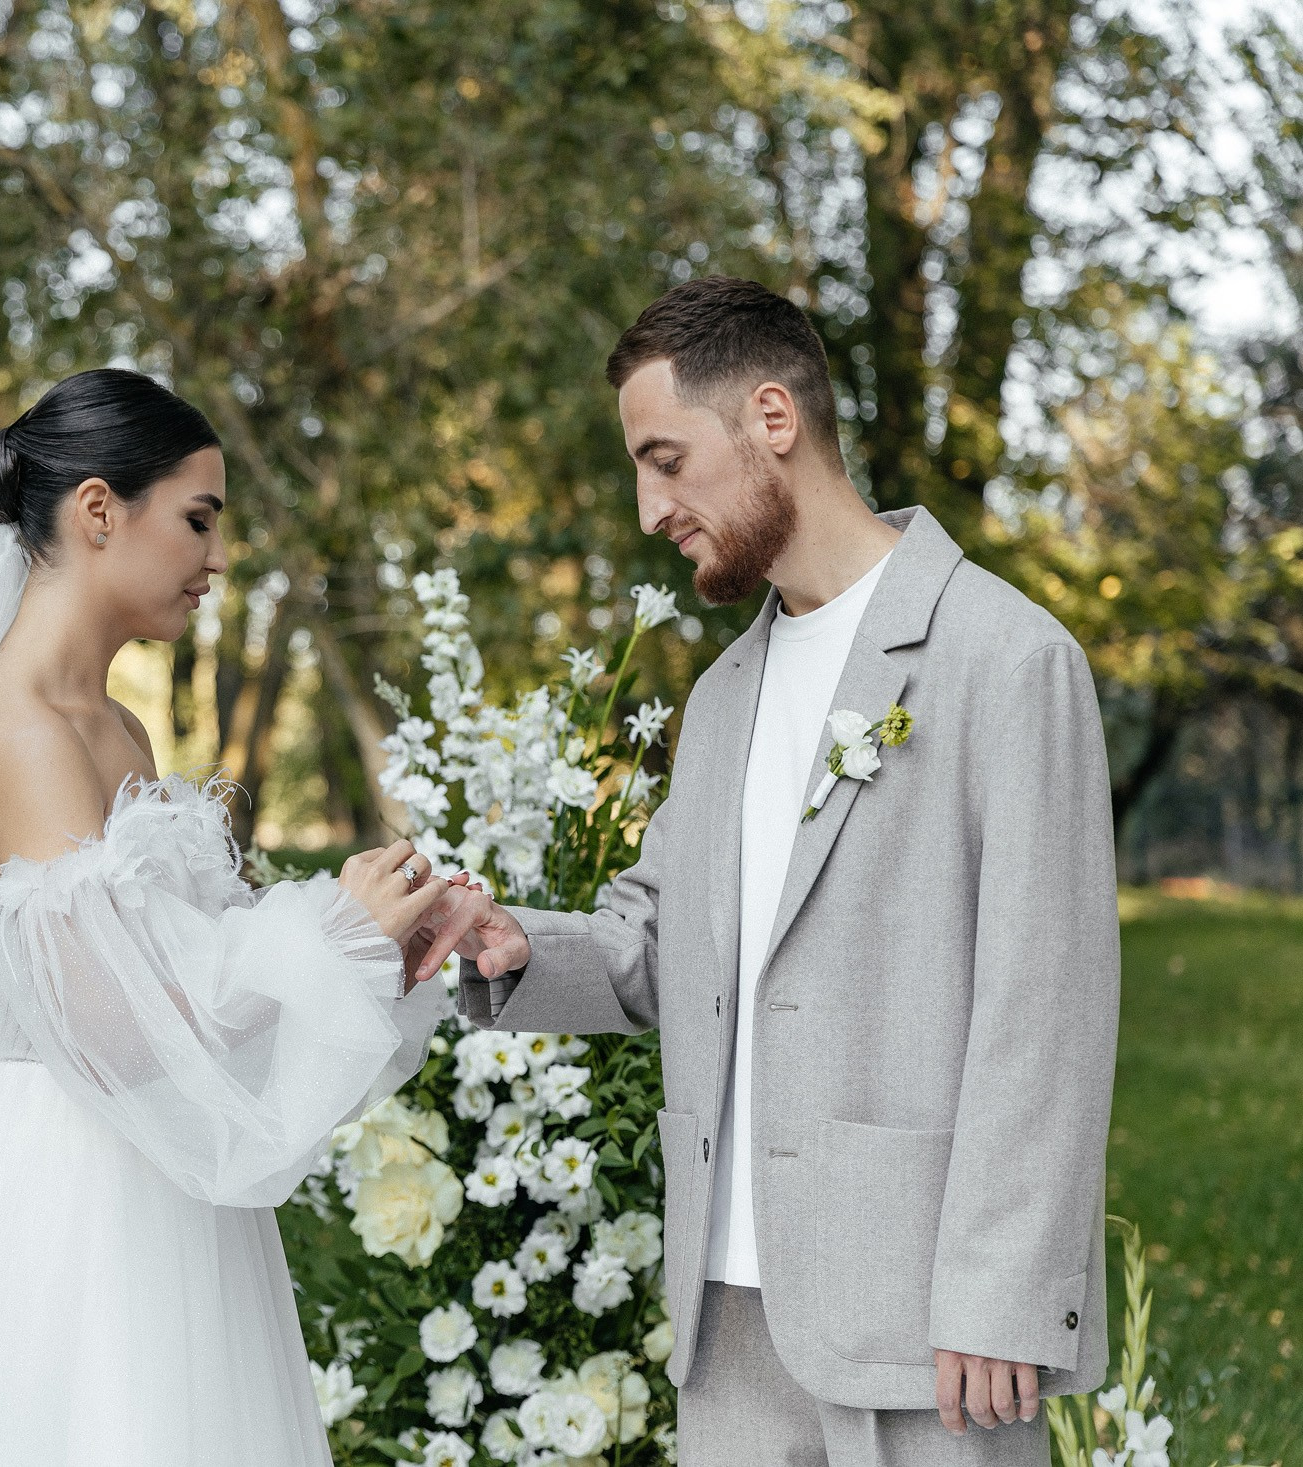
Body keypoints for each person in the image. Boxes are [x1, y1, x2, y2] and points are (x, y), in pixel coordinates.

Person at [425, 277, 1121, 1465]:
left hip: (926, 1320)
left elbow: (1044, 1008)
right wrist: (523, 945)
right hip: (726, 1315)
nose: (650, 508)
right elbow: (663, 943)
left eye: (664, 459)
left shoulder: (1006, 660)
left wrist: (1001, 1293)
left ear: (771, 419)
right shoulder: (722, 692)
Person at [0, 367, 458, 1466]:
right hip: (75, 1201)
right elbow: (112, 1025)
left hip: (162, 1176)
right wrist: (327, 938)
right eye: (197, 519)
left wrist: (372, 937)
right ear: (98, 511)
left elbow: (186, 981)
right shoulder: (21, 733)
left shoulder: (117, 733)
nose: (217, 559)